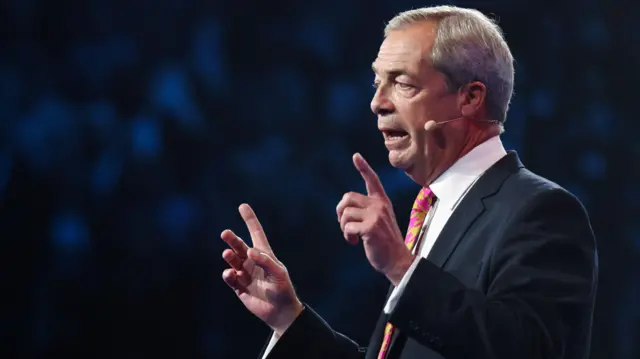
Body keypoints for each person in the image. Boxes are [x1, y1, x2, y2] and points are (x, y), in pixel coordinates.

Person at [221, 5, 598, 359]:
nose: (377, 103)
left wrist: (402, 268)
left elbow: (530, 349)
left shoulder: (541, 211)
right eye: (376, 83)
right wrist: (288, 319)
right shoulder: (425, 213)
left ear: (470, 98)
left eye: (402, 83)